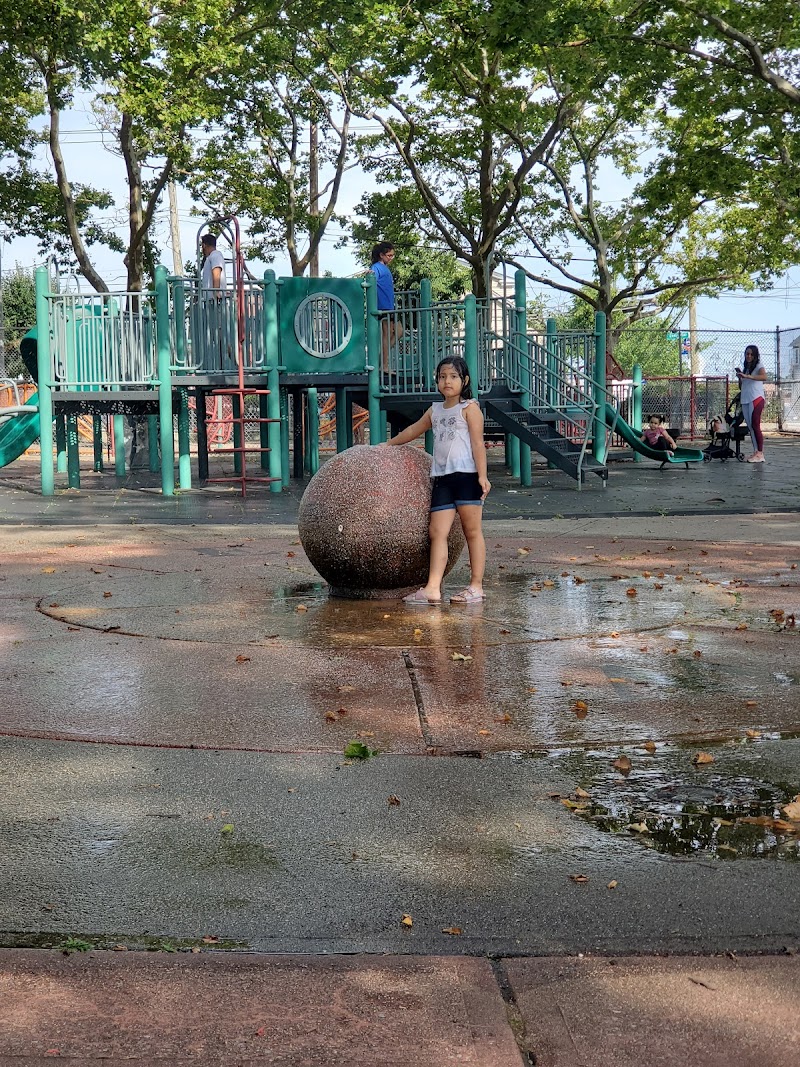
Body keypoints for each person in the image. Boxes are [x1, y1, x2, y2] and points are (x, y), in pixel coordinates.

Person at [381, 356, 491, 604]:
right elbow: (413, 430)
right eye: (442, 377)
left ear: (465, 380)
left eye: (453, 376)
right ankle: (432, 588)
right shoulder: (435, 410)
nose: (447, 381)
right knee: (437, 532)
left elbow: (478, 444)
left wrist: (483, 477)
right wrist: (389, 444)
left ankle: (476, 586)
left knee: (472, 531)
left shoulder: (470, 409)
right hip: (442, 478)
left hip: (467, 476)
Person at [369, 241, 401, 371]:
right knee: (386, 335)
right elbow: (371, 278)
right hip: (383, 306)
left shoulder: (385, 268)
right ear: (381, 255)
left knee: (399, 331)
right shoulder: (376, 267)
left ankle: (381, 359)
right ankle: (384, 365)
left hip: (390, 306)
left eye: (393, 255)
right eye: (389, 255)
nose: (391, 258)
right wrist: (369, 274)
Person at [736, 344, 767, 462]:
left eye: (751, 354)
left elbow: (764, 377)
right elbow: (742, 386)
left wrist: (748, 376)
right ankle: (756, 451)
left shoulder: (759, 365)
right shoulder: (746, 368)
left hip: (756, 398)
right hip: (746, 399)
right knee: (751, 426)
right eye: (747, 354)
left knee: (755, 425)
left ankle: (760, 453)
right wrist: (741, 377)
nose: (748, 356)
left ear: (755, 355)